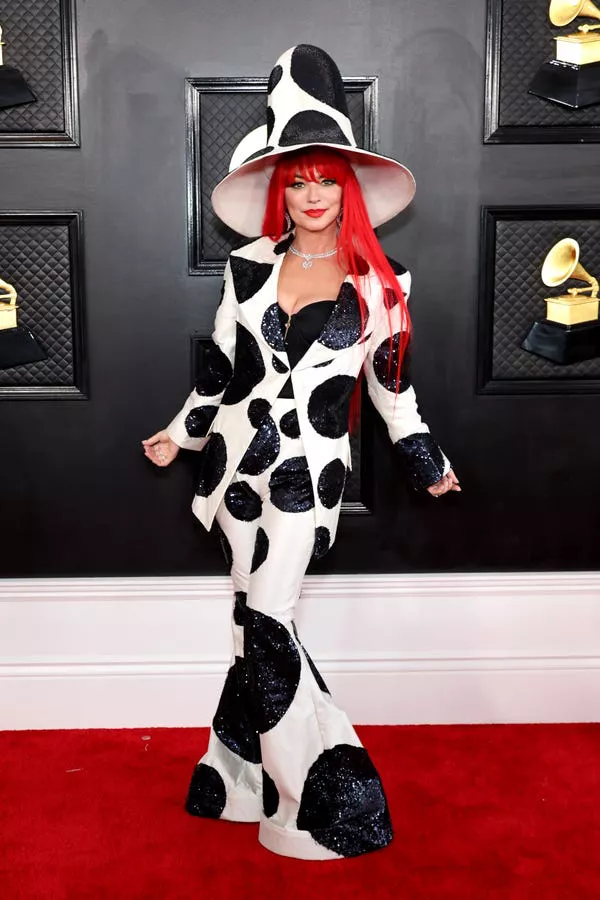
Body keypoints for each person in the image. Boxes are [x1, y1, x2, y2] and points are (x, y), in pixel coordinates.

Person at [142, 44, 460, 861]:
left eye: (327, 178)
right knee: (251, 627)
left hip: (306, 487)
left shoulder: (382, 286)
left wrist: (426, 461)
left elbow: (393, 394)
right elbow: (222, 369)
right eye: (299, 179)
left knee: (269, 620)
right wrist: (182, 432)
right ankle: (238, 779)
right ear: (281, 187)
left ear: (347, 187)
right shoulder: (247, 268)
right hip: (233, 478)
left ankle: (326, 803)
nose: (313, 193)